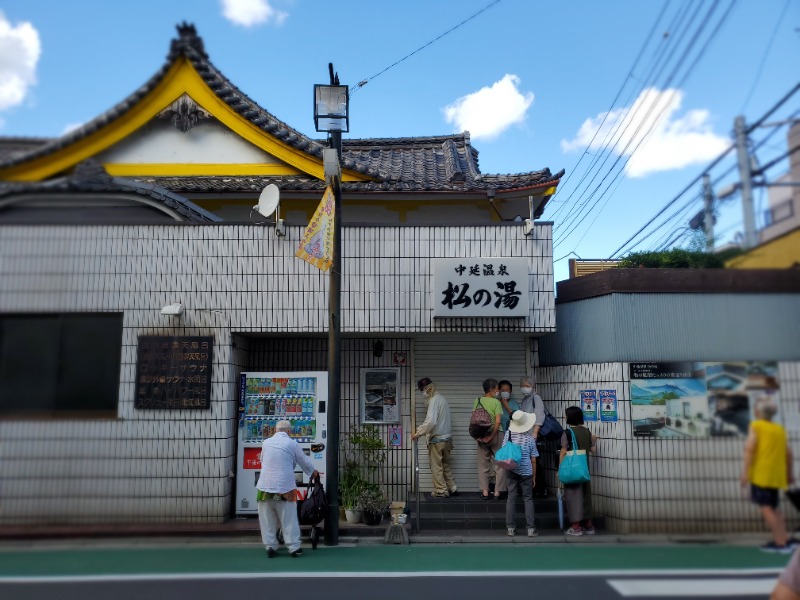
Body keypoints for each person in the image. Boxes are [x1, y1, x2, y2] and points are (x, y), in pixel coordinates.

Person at [256, 419, 319, 558]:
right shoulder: (292, 443)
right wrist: (313, 472)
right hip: (285, 487)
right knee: (288, 519)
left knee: (267, 520)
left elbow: (263, 460)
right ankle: (294, 547)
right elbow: (304, 461)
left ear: (275, 430)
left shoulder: (266, 443)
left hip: (264, 487)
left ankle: (270, 547)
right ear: (289, 431)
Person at [740, 396, 795, 553]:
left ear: (757, 412)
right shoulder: (779, 429)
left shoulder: (756, 426)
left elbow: (750, 448)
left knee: (766, 508)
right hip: (777, 475)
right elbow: (788, 454)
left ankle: (780, 544)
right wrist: (789, 473)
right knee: (775, 508)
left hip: (761, 475)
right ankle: (784, 539)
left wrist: (744, 473)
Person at [412, 377, 458, 498]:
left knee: (436, 466)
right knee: (444, 464)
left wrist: (418, 433)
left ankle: (441, 491)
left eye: (423, 389)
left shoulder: (433, 401)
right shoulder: (442, 399)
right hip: (447, 439)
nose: (423, 392)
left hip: (437, 440)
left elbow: (431, 421)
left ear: (428, 388)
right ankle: (452, 487)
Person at [559, 405, 597, 536]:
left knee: (573, 496)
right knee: (586, 495)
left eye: (566, 414)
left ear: (570, 417)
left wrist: (560, 469)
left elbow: (563, 451)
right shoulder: (587, 431)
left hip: (572, 469)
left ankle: (575, 528)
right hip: (584, 469)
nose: (565, 416)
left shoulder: (568, 433)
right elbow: (593, 450)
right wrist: (594, 441)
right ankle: (589, 526)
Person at [504, 410, 539, 537]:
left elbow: (504, 451)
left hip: (511, 470)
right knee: (528, 498)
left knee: (511, 497)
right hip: (526, 472)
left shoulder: (508, 434)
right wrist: (534, 477)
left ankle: (510, 528)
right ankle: (531, 529)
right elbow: (533, 459)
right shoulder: (529, 439)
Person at [474, 378, 506, 500]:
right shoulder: (496, 403)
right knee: (500, 464)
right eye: (497, 389)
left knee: (483, 465)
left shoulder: (477, 401)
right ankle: (497, 492)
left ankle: (485, 492)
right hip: (496, 434)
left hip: (481, 435)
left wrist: (478, 436)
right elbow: (498, 422)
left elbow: (474, 421)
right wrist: (492, 435)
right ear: (492, 390)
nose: (498, 392)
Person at [519, 376, 547, 495]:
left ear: (532, 386)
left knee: (535, 461)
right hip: (525, 435)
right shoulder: (525, 399)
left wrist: (535, 431)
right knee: (529, 461)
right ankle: (531, 487)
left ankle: (540, 489)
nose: (525, 388)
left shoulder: (536, 398)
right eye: (523, 386)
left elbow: (540, 415)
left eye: (527, 386)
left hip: (532, 435)